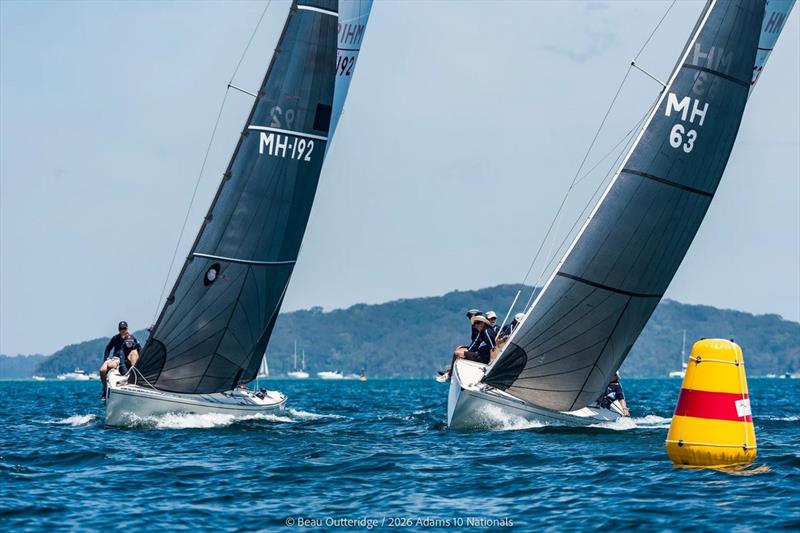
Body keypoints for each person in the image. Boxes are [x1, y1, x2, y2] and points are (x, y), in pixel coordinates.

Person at [99, 321, 142, 398]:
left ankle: (135, 376)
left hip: (127, 358)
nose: (122, 330)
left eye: (124, 328)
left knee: (134, 353)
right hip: (116, 358)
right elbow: (108, 348)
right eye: (121, 328)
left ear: (127, 328)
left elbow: (139, 349)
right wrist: (105, 359)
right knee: (102, 370)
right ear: (118, 329)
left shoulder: (132, 338)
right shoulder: (115, 338)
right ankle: (105, 388)